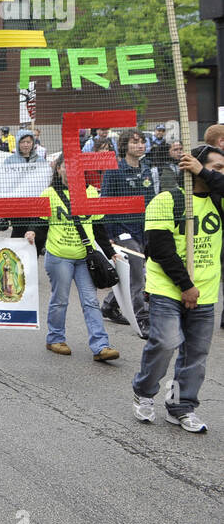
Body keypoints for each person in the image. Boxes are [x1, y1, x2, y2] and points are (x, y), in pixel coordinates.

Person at [130, 145, 223, 433]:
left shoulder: (220, 200)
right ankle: (144, 393)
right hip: (169, 288)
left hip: (206, 291)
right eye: (216, 167)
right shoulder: (166, 200)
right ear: (191, 165)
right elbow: (159, 249)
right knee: (166, 342)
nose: (220, 173)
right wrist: (186, 286)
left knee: (195, 355)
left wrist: (204, 171)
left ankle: (181, 406)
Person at [27, 152, 119, 362]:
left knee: (90, 301)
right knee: (60, 300)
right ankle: (55, 338)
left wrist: (111, 252)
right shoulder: (49, 194)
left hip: (85, 258)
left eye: (75, 167)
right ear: (58, 169)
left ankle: (101, 346)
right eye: (65, 166)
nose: (69, 171)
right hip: (59, 257)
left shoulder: (91, 194)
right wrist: (31, 233)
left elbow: (98, 227)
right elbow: (39, 223)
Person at [99, 129, 157, 338]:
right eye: (135, 142)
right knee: (137, 276)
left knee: (133, 273)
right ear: (125, 145)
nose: (140, 146)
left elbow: (152, 200)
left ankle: (109, 305)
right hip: (123, 232)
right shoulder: (114, 170)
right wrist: (110, 235)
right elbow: (105, 202)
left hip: (144, 229)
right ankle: (143, 319)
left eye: (142, 142)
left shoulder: (146, 169)